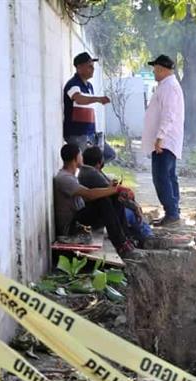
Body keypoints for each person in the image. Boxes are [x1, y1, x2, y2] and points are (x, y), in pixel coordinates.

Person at [53, 144, 141, 259]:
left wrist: (112, 190)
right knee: (103, 201)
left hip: (79, 219)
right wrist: (116, 189)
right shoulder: (64, 178)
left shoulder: (71, 176)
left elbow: (86, 197)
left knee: (113, 198)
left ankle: (125, 239)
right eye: (80, 155)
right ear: (75, 157)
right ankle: (120, 244)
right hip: (72, 226)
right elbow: (89, 194)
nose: (82, 157)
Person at [78, 146, 154, 248]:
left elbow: (109, 189)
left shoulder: (88, 171)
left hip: (99, 212)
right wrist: (135, 206)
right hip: (100, 216)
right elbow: (114, 194)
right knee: (132, 213)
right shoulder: (92, 174)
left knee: (130, 209)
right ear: (99, 162)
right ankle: (147, 238)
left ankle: (140, 238)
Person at [141, 54, 184, 227]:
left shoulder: (169, 87)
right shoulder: (166, 85)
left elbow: (169, 114)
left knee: (161, 178)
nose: (153, 72)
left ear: (161, 69)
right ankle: (173, 212)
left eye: (155, 69)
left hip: (165, 141)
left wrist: (160, 137)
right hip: (166, 140)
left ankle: (172, 213)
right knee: (169, 176)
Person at [63, 52, 116, 161]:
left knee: (109, 154)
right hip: (77, 134)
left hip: (91, 134)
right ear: (79, 67)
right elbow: (79, 98)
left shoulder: (90, 86)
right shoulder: (73, 84)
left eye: (93, 67)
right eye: (89, 66)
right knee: (88, 161)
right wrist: (98, 99)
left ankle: (94, 170)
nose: (93, 69)